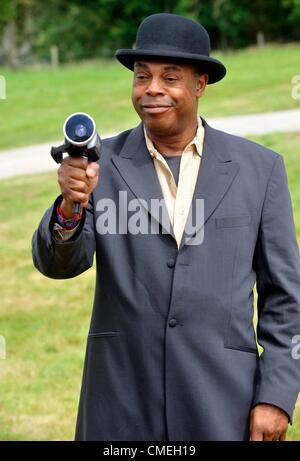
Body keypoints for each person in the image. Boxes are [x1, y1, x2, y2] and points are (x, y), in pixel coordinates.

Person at [32, 13, 300, 441]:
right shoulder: (100, 165)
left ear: (200, 84)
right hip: (120, 403)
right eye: (142, 77)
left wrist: (276, 395)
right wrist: (70, 203)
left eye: (169, 77)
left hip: (223, 405)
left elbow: (287, 299)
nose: (152, 89)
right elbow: (58, 264)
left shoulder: (260, 169)